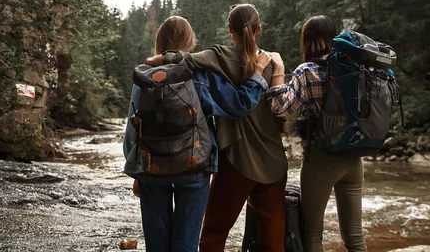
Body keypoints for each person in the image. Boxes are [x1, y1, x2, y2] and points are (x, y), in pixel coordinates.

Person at [123, 16, 272, 252]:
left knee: (157, 245)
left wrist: (136, 170)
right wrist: (259, 73)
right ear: (190, 42)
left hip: (151, 167)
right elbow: (238, 104)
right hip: (194, 165)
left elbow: (133, 127)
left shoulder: (145, 75)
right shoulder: (198, 73)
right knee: (186, 244)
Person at [266, 15, 367, 252]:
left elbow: (280, 107)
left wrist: (279, 71)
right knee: (355, 236)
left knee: (312, 233)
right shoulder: (354, 65)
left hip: (322, 158)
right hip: (354, 155)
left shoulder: (307, 71)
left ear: (307, 40)